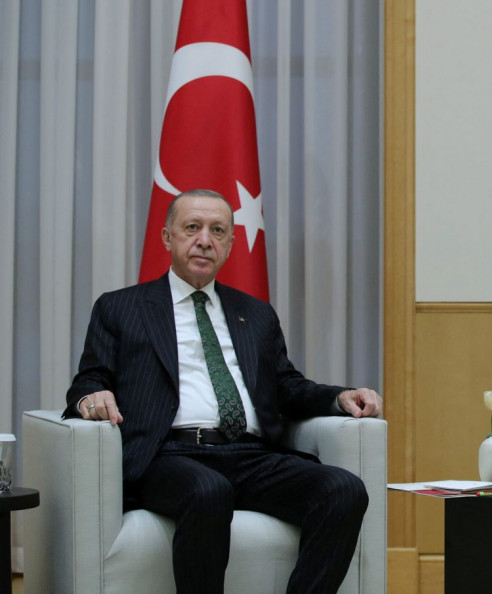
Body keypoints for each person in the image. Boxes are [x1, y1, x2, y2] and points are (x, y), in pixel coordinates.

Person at [64, 189, 383, 594]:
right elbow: (89, 379)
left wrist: (338, 398)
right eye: (192, 228)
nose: (204, 240)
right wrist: (92, 398)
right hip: (168, 455)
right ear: (167, 237)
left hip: (249, 455)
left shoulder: (256, 313)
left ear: (230, 244)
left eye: (217, 231)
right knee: (208, 490)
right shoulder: (121, 307)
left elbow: (286, 386)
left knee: (344, 489)